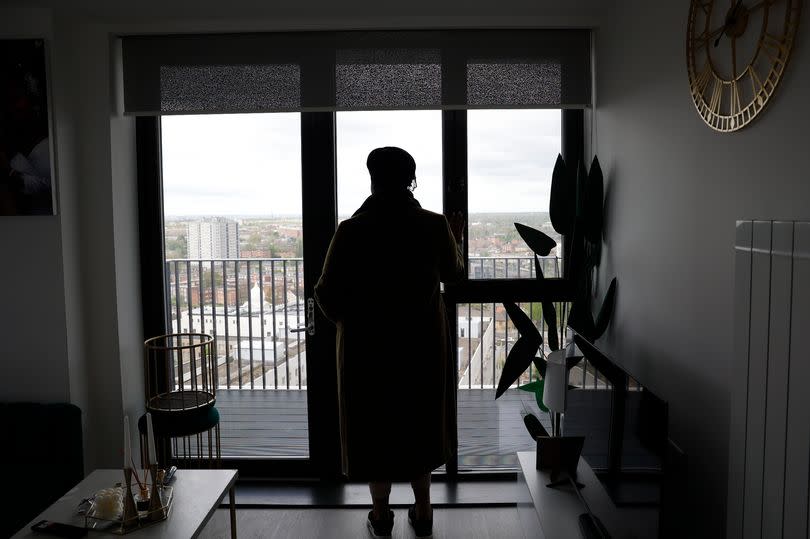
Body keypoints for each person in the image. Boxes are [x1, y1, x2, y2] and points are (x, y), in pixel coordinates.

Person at [315, 146, 465, 538]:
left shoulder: (351, 231)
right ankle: (424, 509)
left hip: (367, 353)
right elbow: (455, 275)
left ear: (372, 180)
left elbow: (326, 294)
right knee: (420, 425)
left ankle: (381, 515)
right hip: (422, 350)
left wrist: (353, 324)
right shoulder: (434, 227)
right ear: (411, 180)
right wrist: (456, 235)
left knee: (374, 429)